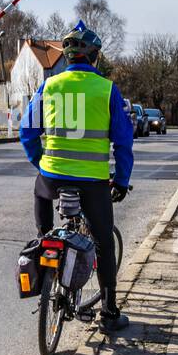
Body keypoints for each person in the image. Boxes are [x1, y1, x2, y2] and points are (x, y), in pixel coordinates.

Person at [20, 23, 135, 334]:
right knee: (103, 244)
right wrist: (121, 181)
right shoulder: (107, 89)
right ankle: (109, 312)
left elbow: (26, 132)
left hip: (51, 179)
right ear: (94, 57)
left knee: (45, 234)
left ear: (68, 58)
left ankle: (47, 261)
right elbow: (124, 143)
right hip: (93, 183)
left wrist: (41, 162)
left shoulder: (49, 86)